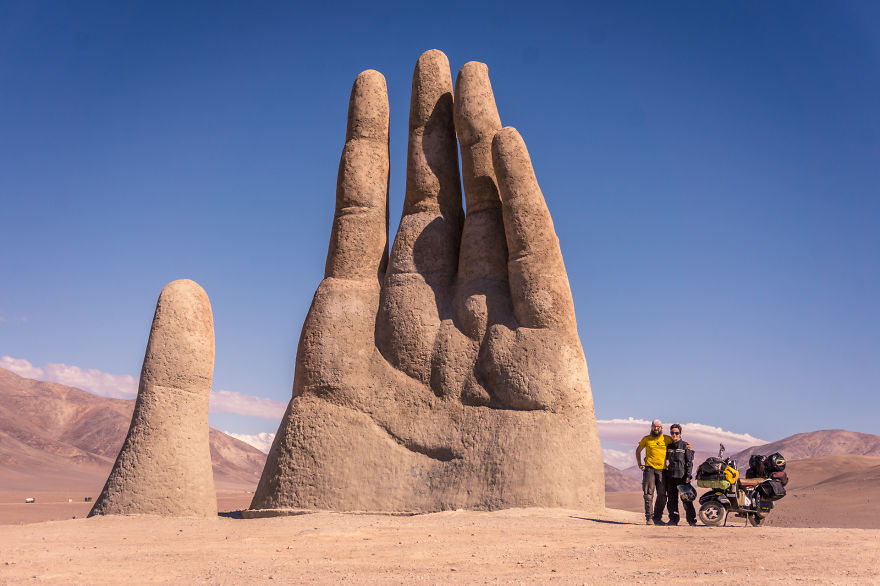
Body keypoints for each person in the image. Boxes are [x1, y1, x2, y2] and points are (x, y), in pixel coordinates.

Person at [635, 419, 673, 525]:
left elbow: (677, 444)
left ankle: (657, 518)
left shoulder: (667, 439)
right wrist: (639, 464)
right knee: (648, 494)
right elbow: (638, 451)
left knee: (662, 495)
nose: (656, 428)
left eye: (658, 427)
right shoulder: (646, 439)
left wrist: (687, 446)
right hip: (649, 470)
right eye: (654, 426)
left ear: (661, 428)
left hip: (662, 471)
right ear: (651, 427)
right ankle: (649, 518)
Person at [663, 423, 697, 526]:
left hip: (682, 477)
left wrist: (688, 475)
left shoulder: (685, 446)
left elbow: (689, 463)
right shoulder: (668, 446)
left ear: (680, 433)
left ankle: (691, 520)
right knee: (672, 500)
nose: (674, 435)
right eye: (672, 433)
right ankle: (673, 520)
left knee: (686, 499)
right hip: (670, 476)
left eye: (676, 433)